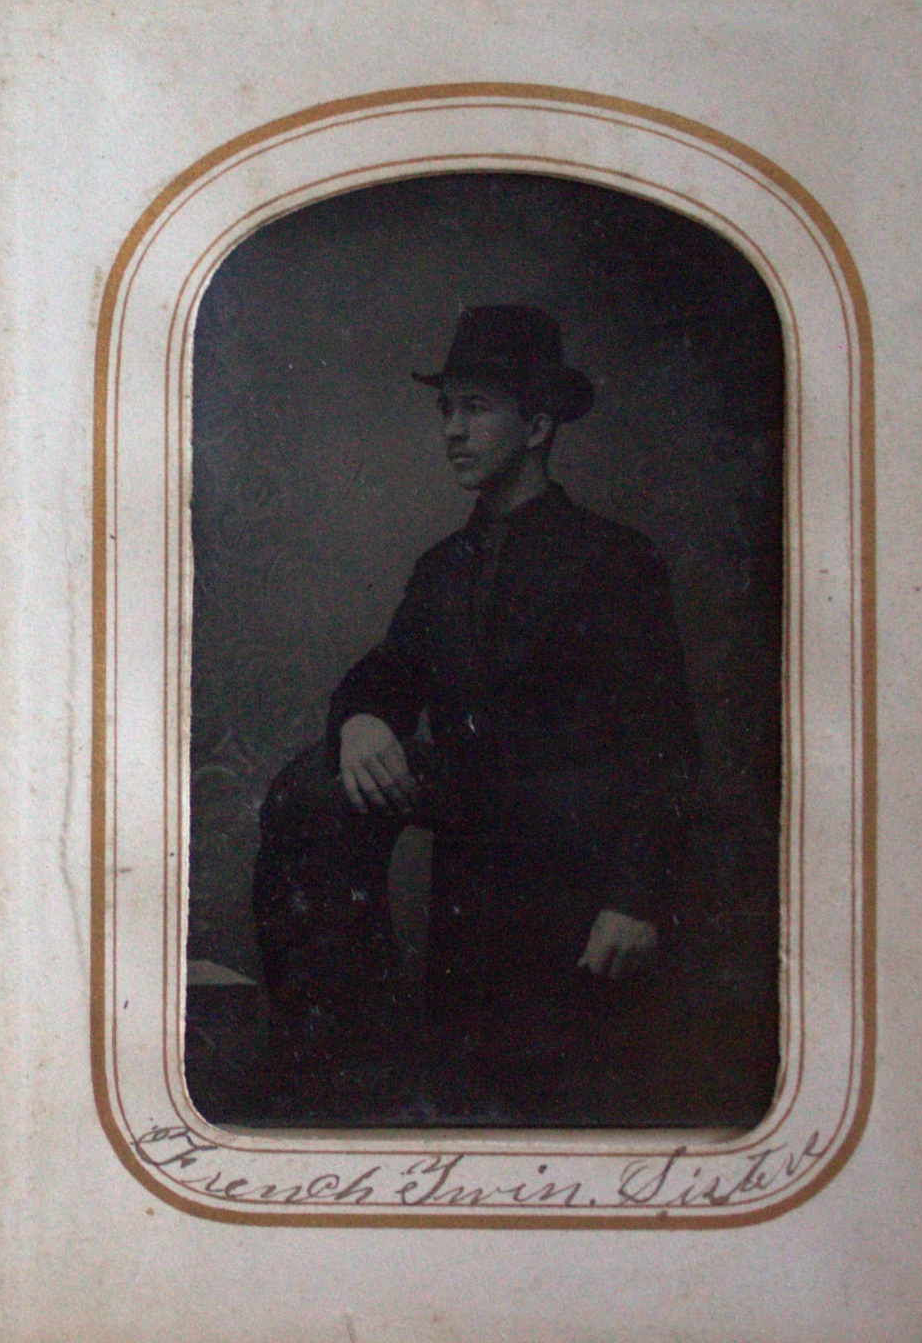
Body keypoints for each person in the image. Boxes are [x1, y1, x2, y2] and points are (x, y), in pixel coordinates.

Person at [251, 306, 699, 1122]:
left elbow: (665, 744)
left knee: (537, 1121)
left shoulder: (613, 559)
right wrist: (361, 720)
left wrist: (635, 900)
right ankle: (348, 1066)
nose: (452, 432)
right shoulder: (442, 569)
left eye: (477, 409)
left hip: (573, 896)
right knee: (311, 789)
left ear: (538, 426)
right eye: (445, 410)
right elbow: (386, 673)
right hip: (471, 891)